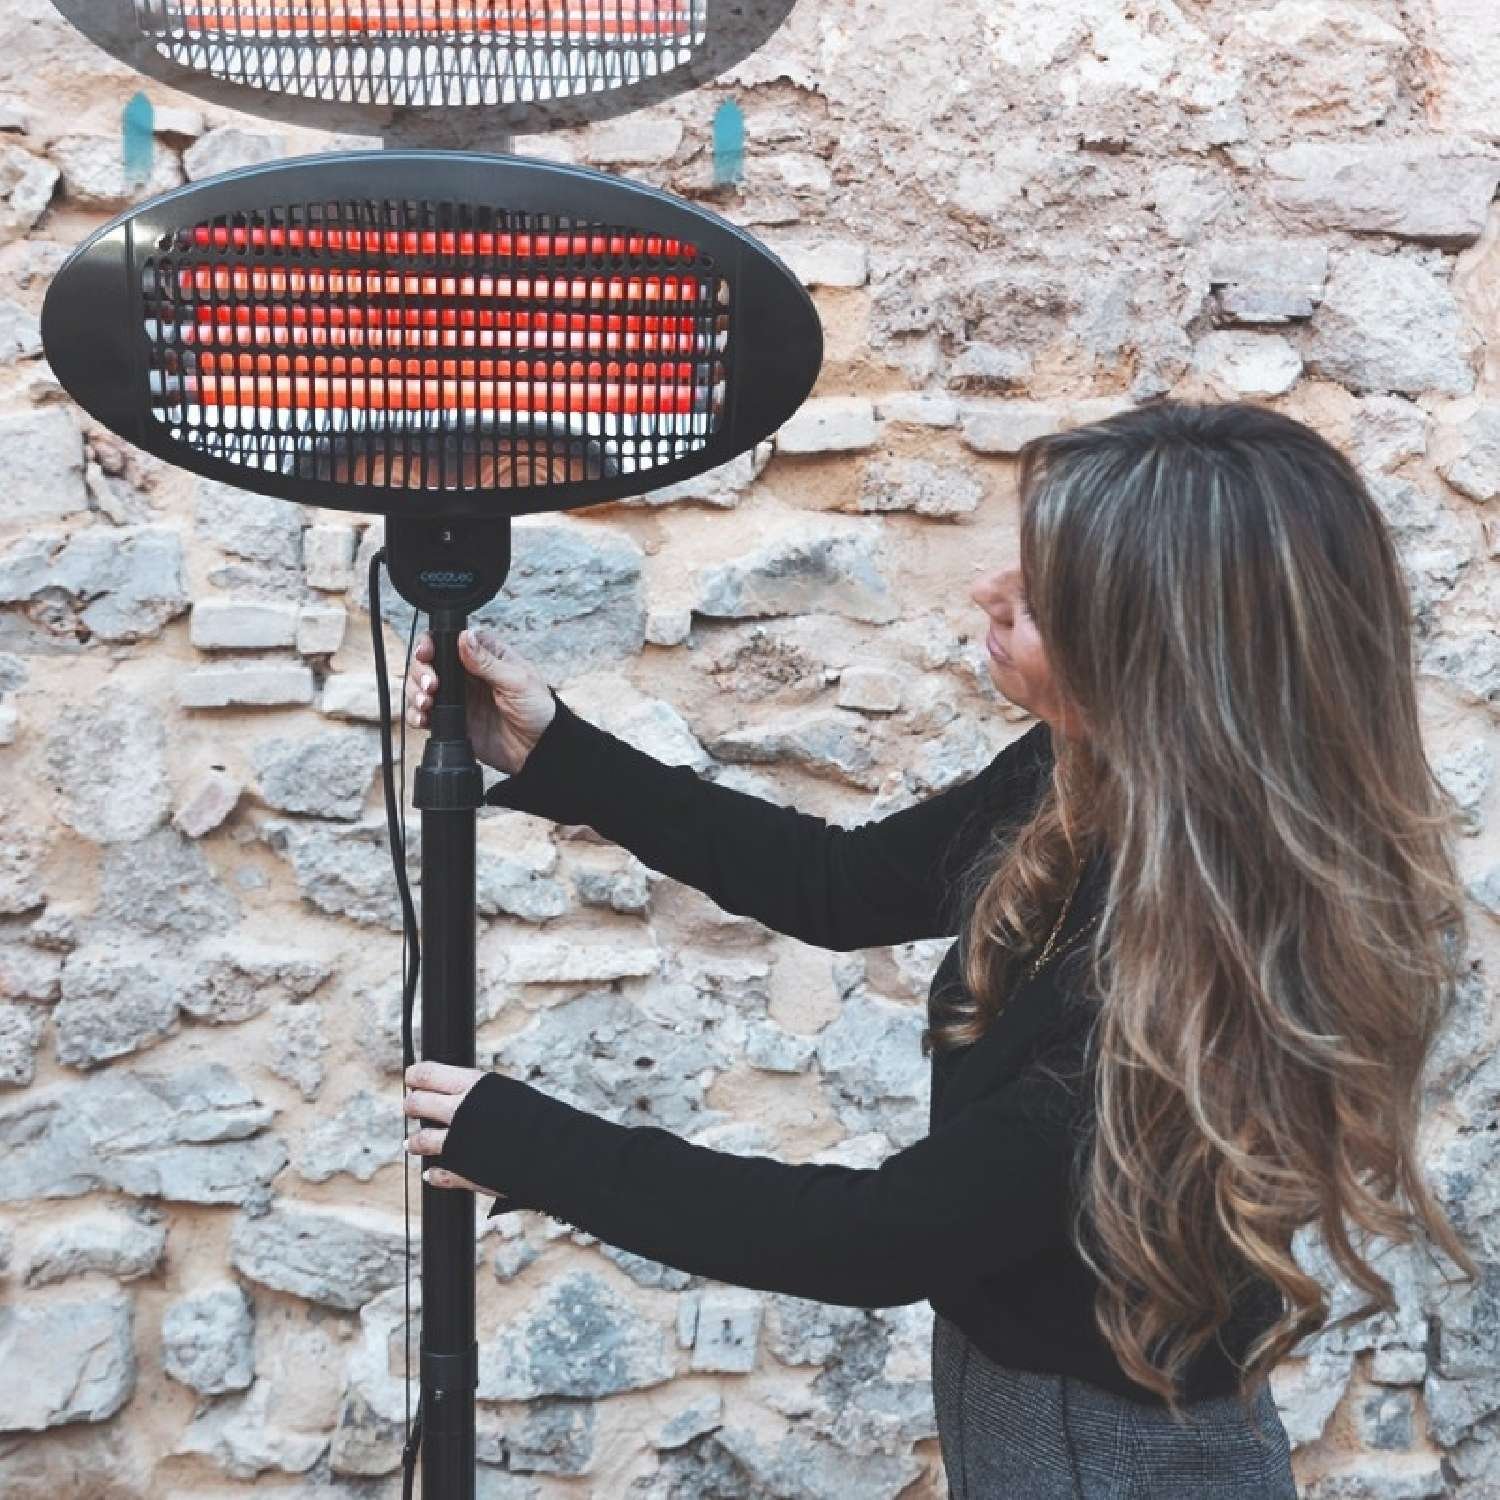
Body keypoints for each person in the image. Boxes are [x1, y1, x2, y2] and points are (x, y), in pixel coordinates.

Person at [400, 399, 1478, 1498]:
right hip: (1026, 1417)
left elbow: (879, 1240)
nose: (985, 591)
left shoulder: (1184, 996)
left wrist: (534, 1145)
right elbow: (841, 885)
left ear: (1156, 659)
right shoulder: (1092, 772)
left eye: (1039, 598)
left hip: (1110, 1459)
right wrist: (559, 752)